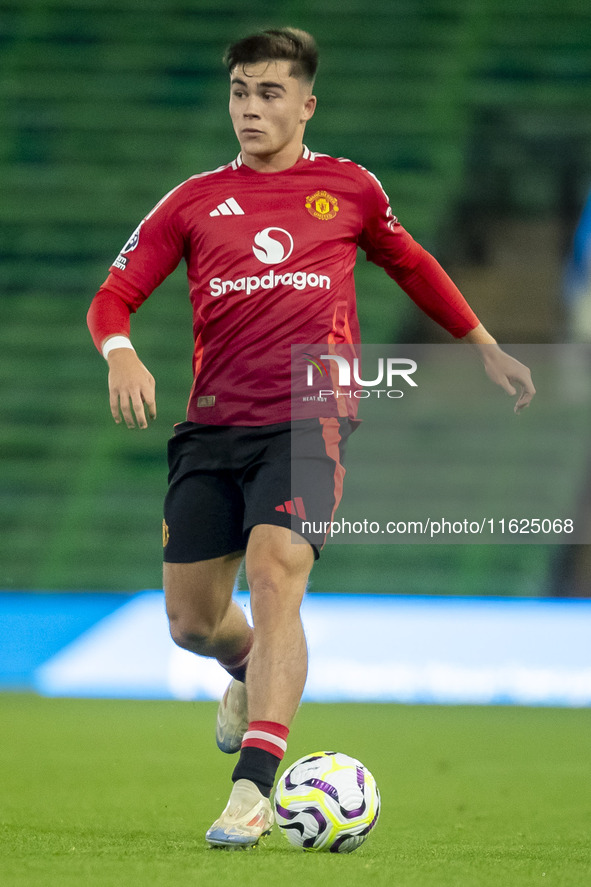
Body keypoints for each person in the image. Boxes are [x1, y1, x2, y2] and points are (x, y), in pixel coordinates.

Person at [87, 27, 535, 849]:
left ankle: (252, 789)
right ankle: (242, 670)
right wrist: (120, 353)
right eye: (238, 93)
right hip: (211, 426)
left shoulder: (349, 189)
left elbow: (412, 264)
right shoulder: (190, 202)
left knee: (275, 571)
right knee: (191, 622)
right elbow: (112, 297)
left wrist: (483, 346)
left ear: (305, 104)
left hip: (309, 411)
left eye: (267, 93)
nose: (249, 108)